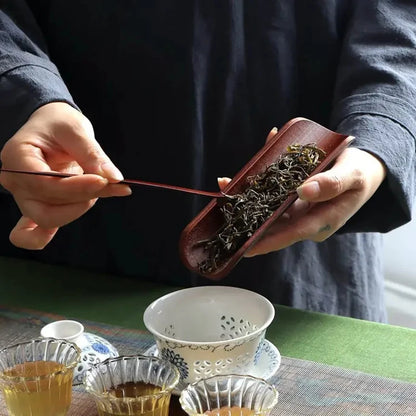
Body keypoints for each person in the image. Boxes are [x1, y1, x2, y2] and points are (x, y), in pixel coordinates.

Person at [0, 1, 415, 322]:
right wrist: (22, 91)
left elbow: (398, 25)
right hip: (72, 245)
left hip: (303, 250)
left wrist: (380, 134)